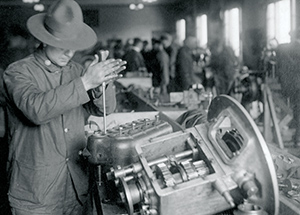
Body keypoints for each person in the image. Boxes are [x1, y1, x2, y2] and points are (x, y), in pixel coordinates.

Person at [2, 0, 126, 214]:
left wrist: (103, 83)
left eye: (73, 46)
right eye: (62, 45)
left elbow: (104, 109)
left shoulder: (76, 71)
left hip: (76, 187)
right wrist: (86, 82)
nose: (69, 53)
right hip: (36, 193)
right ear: (44, 40)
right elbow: (36, 110)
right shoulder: (18, 72)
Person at [277, 29, 300, 147]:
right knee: (298, 109)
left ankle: (297, 137)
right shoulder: (296, 48)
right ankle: (297, 137)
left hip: (287, 85)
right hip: (297, 85)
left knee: (296, 109)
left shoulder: (283, 48)